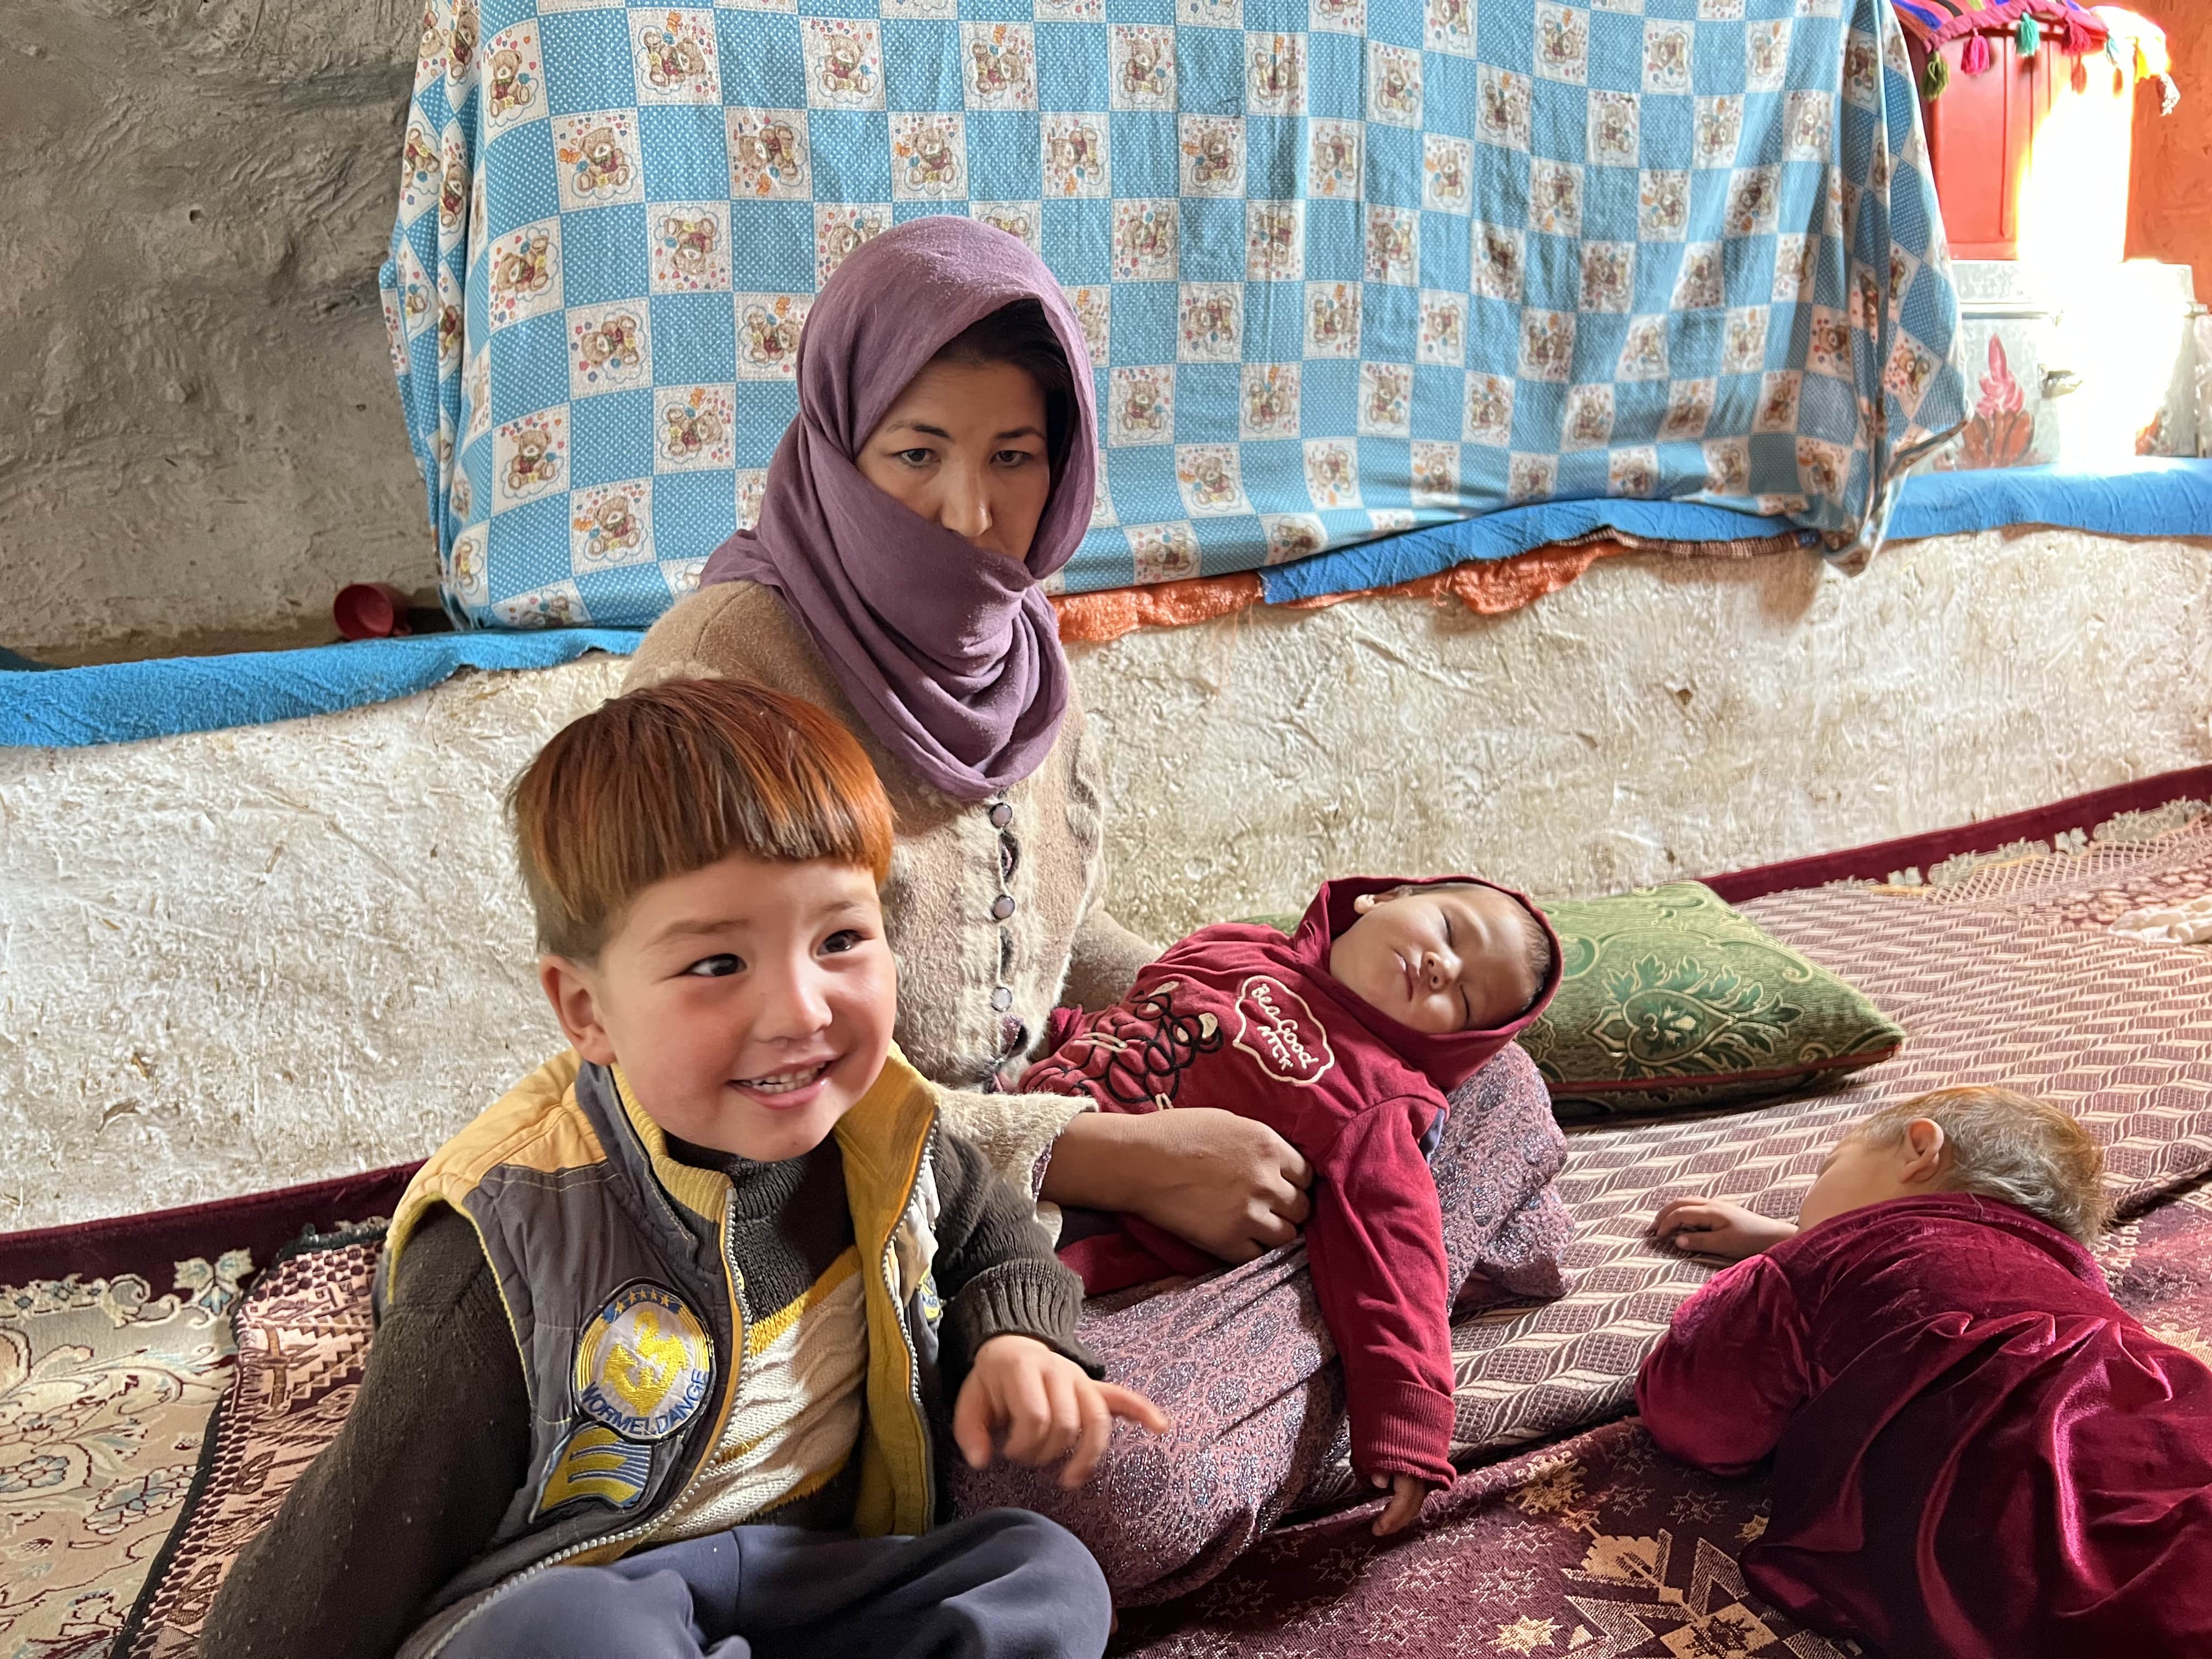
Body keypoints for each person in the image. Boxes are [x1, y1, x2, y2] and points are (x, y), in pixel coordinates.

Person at [624, 216, 1572, 1600]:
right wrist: (1104, 1157)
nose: (968, 515)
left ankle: (1348, 1285)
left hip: (1071, 1161)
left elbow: (1053, 946)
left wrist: (1251, 1004)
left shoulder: (1016, 647)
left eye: (1016, 458)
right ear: (836, 443)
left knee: (1482, 1072)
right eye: (915, 455)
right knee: (1085, 1491)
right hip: (853, 1224)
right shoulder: (729, 678)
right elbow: (735, 1086)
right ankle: (1376, 1293)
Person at [202, 678, 1165, 1659]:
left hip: (808, 1565)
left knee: (1042, 1574)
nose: (800, 1010)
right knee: (574, 1633)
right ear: (586, 1010)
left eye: (840, 939)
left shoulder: (886, 1127)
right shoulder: (504, 1250)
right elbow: (333, 1569)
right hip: (582, 1591)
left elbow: (994, 1242)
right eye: (716, 965)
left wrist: (1018, 1345)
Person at [1019, 878, 1562, 1537]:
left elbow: (1396, 1260)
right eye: (1449, 931)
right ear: (1382, 898)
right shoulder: (1235, 944)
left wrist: (1408, 1417)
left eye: (1466, 997)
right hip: (1026, 1120)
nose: (1440, 966)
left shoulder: (1381, 1099)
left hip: (1083, 1243)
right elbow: (1135, 1011)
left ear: (1453, 1047)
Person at [1638, 1086, 2212, 1659]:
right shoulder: (2073, 1292)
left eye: (1829, 1167)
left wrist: (1781, 1263)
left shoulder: (1823, 1260)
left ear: (1919, 1149)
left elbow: (1697, 1418)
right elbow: (1946, 1266)